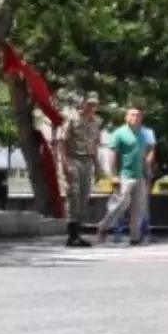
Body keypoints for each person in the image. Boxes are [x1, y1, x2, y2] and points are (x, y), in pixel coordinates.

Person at [96, 106, 148, 245]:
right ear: (126, 117)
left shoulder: (142, 135)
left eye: (138, 115)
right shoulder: (119, 133)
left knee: (138, 207)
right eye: (132, 115)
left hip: (139, 176)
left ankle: (135, 237)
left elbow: (142, 156)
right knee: (120, 204)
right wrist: (113, 175)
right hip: (124, 175)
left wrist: (146, 172)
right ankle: (104, 227)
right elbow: (112, 155)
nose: (135, 118)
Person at [57, 93, 101, 247]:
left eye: (94, 105)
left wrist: (98, 165)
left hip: (87, 161)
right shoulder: (72, 119)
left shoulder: (95, 122)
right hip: (73, 158)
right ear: (82, 105)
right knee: (73, 194)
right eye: (89, 104)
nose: (92, 108)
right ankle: (72, 234)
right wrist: (65, 163)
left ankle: (78, 233)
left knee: (84, 196)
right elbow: (61, 142)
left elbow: (95, 144)